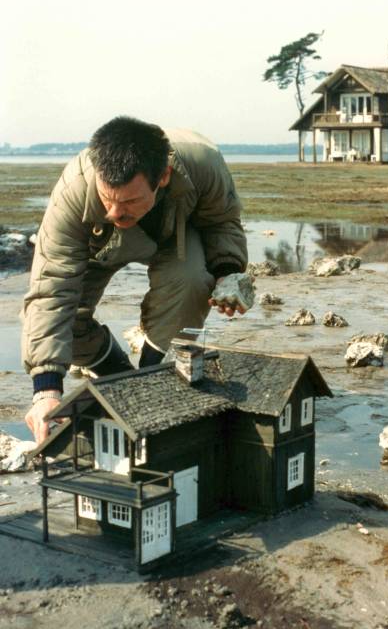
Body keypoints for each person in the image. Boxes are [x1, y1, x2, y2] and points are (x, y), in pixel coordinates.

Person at [23, 116, 248, 444]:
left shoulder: (203, 163)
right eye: (106, 198)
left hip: (176, 237)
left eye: (128, 201)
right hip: (99, 245)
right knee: (67, 324)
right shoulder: (74, 190)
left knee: (193, 281)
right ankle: (119, 375)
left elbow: (222, 222)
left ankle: (152, 379)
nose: (114, 211)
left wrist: (227, 273)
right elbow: (51, 288)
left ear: (164, 176)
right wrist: (46, 389)